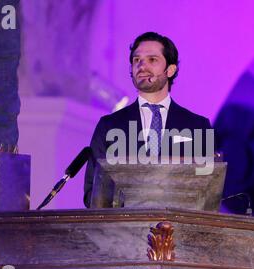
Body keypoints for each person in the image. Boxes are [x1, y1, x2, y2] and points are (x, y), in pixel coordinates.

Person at [84, 32, 214, 207]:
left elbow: (207, 191)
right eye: (137, 60)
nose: (142, 66)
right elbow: (92, 194)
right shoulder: (109, 126)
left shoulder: (198, 126)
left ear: (170, 70)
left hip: (177, 230)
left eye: (152, 60)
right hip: (122, 231)